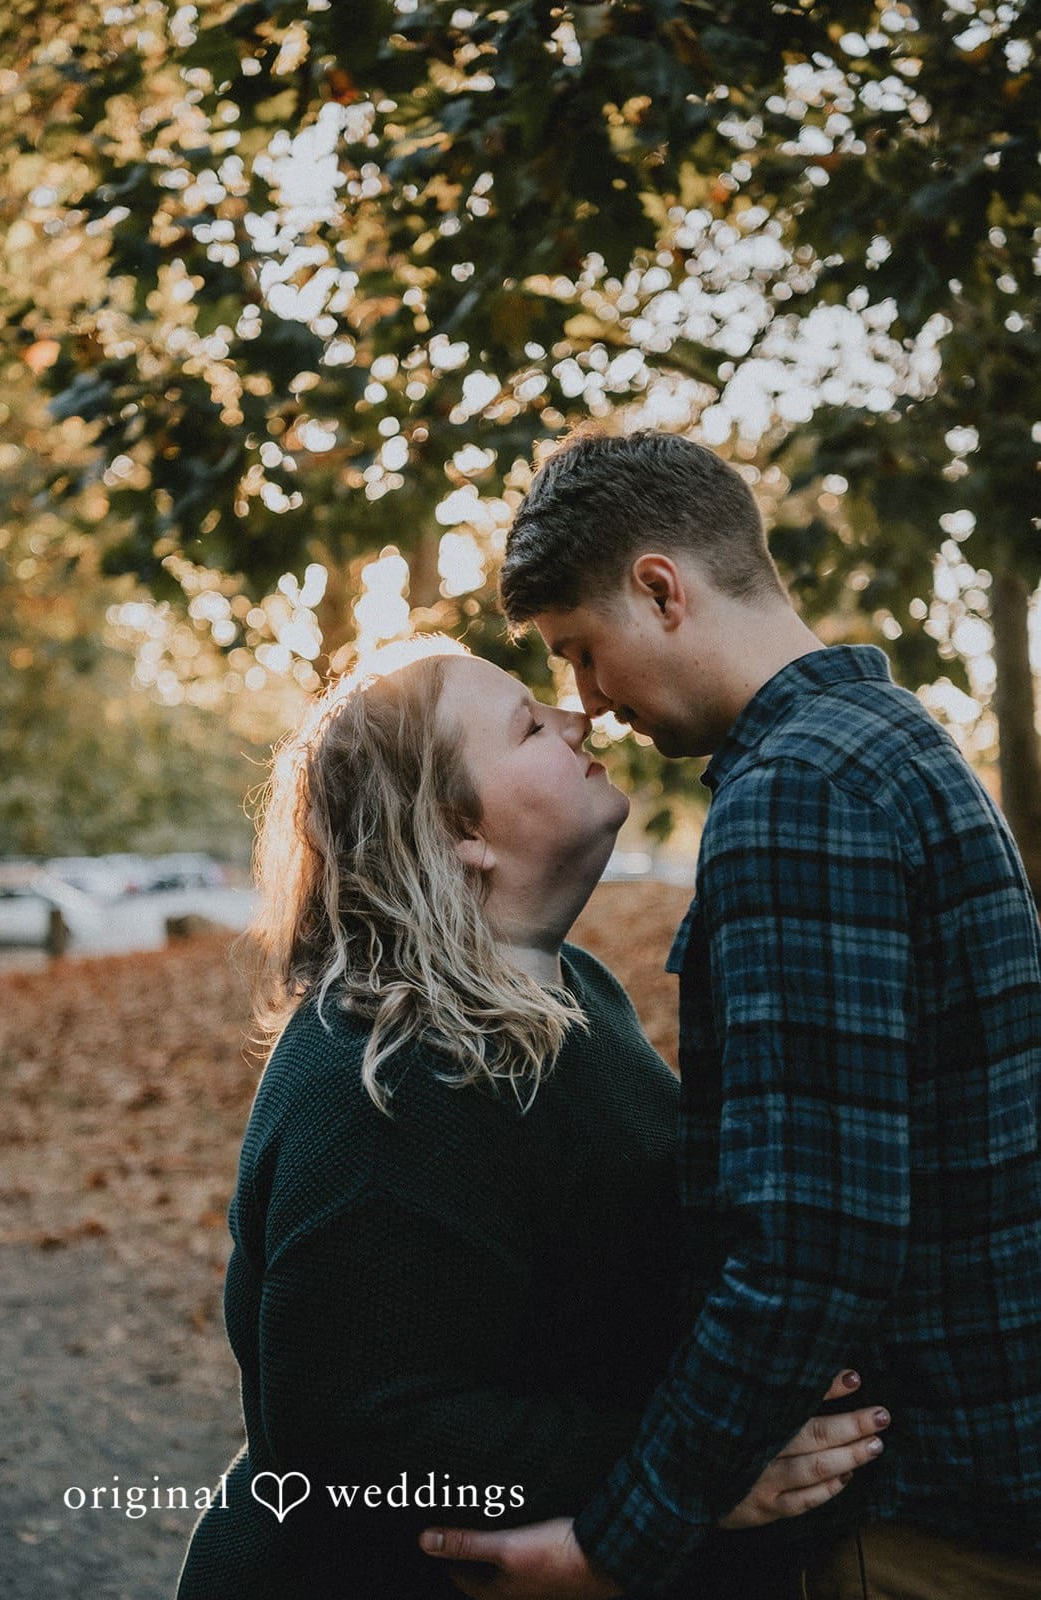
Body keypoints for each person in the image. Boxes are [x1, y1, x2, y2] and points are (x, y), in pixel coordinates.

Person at [419, 429, 1041, 1600]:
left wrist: (620, 1542)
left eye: (581, 652)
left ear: (660, 588)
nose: (587, 702)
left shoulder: (796, 793)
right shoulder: (897, 744)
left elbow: (809, 1244)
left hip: (912, 1520)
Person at [175, 638, 886, 1600]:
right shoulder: (390, 1071)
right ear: (461, 827)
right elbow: (353, 1438)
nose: (576, 716)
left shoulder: (570, 992)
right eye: (527, 723)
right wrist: (691, 1473)